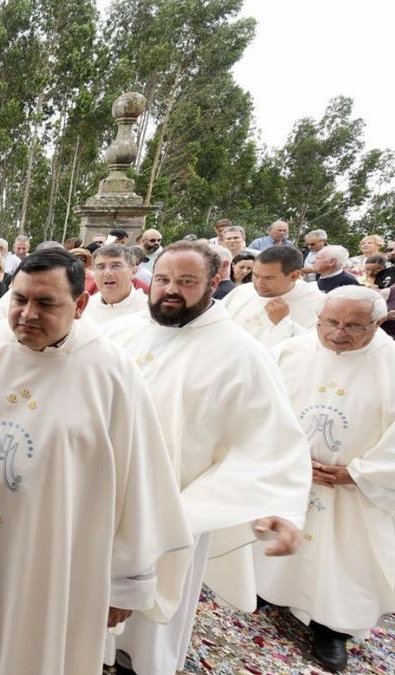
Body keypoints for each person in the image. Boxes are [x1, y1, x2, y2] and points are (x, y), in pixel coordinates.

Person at [0, 249, 191, 674]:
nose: (27, 314)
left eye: (46, 303)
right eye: (20, 299)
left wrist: (125, 583)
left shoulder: (111, 373)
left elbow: (136, 484)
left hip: (54, 555)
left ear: (79, 305)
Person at [101, 241, 309, 675]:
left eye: (185, 281)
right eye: (162, 279)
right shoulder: (121, 333)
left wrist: (281, 510)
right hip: (104, 496)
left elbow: (270, 439)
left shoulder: (241, 353)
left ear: (214, 282)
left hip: (175, 506)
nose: (170, 290)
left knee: (151, 624)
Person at [255, 287, 395, 672]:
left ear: (377, 323)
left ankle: (332, 628)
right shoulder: (290, 352)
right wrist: (287, 455)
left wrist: (360, 473)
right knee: (277, 541)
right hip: (290, 474)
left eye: (353, 326)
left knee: (346, 558)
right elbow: (260, 406)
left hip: (357, 489)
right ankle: (269, 591)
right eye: (330, 322)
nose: (338, 333)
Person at [223, 245, 322, 347]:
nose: (259, 283)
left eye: (269, 278)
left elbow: (319, 345)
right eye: (256, 275)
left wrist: (284, 323)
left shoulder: (318, 304)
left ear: (294, 276)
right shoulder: (242, 291)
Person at [85, 244, 149, 325]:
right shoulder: (86, 309)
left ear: (133, 271)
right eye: (101, 267)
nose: (108, 273)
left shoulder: (147, 310)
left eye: (116, 266)